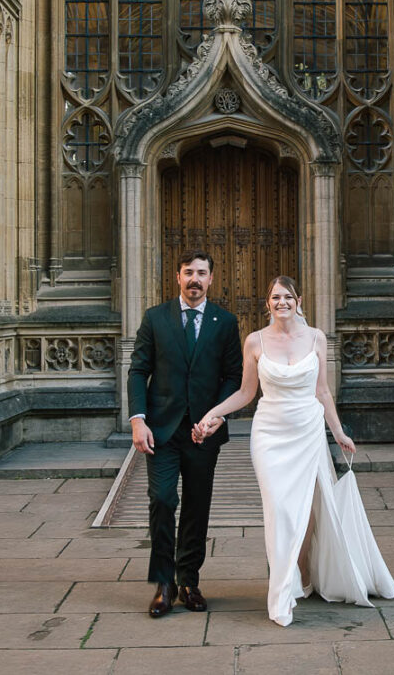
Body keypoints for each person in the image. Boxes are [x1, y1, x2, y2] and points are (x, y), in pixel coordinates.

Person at [194, 275, 394, 626]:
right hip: (269, 435)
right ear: (267, 303)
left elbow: (322, 392)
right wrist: (213, 414)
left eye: (287, 296)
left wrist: (337, 432)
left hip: (308, 432)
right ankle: (282, 590)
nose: (281, 302)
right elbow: (245, 394)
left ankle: (302, 571)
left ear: (298, 300)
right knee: (280, 509)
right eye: (275, 297)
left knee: (309, 510)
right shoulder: (254, 342)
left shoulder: (317, 338)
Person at [127, 250, 242, 618]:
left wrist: (217, 418)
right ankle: (164, 583)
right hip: (161, 431)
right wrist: (138, 420)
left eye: (202, 273)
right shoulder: (155, 318)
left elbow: (233, 377)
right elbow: (137, 370)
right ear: (178, 277)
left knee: (196, 505)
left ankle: (189, 580)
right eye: (188, 272)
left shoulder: (224, 322)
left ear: (211, 279)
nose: (195, 279)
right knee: (162, 500)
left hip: (202, 432)